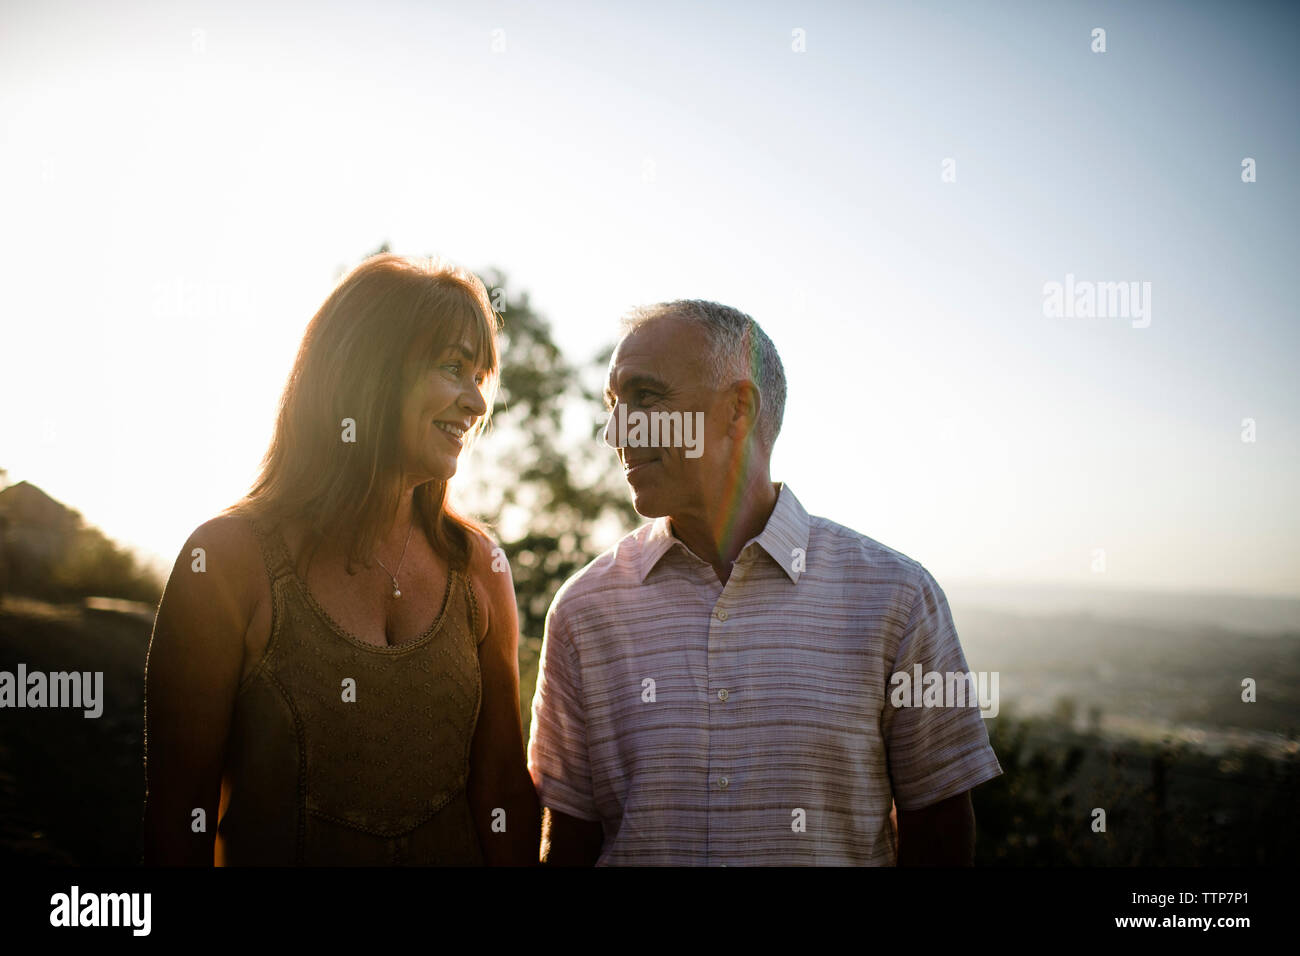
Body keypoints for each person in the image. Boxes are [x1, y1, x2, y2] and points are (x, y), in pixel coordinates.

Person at [527, 300, 1003, 866]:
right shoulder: (584, 611)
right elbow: (569, 841)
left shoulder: (897, 600)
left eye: (645, 398)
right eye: (613, 405)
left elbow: (941, 830)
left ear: (739, 409)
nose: (613, 433)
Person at [143, 254, 539, 865]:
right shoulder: (225, 561)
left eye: (480, 375)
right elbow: (178, 824)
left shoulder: (480, 569)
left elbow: (505, 799)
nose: (477, 403)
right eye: (453, 367)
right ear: (368, 372)